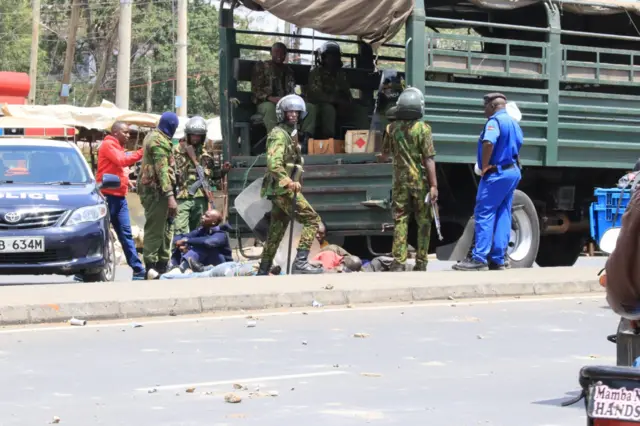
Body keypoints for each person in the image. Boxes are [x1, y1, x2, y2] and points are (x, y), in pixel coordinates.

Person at [453, 93, 523, 271]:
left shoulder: (494, 122)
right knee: (503, 213)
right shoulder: (514, 123)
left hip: (496, 173)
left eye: (485, 107)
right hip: (512, 171)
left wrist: (485, 165)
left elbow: (488, 142)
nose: (484, 110)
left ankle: (479, 258)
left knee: (485, 213)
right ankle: (498, 259)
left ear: (492, 106)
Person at [256, 94, 324, 275]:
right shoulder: (279, 135)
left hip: (282, 189)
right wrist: (287, 181)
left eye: (296, 112)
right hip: (282, 189)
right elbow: (273, 163)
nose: (293, 115)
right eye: (289, 112)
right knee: (312, 219)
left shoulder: (290, 134)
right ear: (282, 114)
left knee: (276, 230)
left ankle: (263, 269)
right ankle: (300, 263)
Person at [378, 87, 438, 272]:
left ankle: (399, 261)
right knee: (424, 221)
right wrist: (434, 185)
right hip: (419, 182)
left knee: (401, 220)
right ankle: (421, 262)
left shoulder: (391, 128)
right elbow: (429, 159)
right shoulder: (423, 129)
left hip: (400, 183)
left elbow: (384, 154)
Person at [95, 121, 146, 280]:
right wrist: (142, 152)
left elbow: (118, 167)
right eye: (125, 132)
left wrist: (125, 180)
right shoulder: (108, 145)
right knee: (100, 234)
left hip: (119, 197)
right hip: (107, 197)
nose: (128, 135)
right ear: (115, 132)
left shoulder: (116, 147)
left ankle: (137, 269)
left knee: (126, 234)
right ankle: (89, 269)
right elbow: (122, 160)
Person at [251, 42, 317, 150]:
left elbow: (292, 90)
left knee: (309, 107)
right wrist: (270, 98)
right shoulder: (262, 67)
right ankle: (277, 142)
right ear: (271, 53)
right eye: (276, 52)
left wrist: (296, 100)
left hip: (286, 103)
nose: (279, 55)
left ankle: (305, 138)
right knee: (270, 108)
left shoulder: (288, 71)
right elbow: (255, 90)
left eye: (282, 53)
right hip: (265, 102)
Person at [138, 112, 179, 279]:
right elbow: (162, 171)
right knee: (155, 228)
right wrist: (170, 196)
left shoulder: (155, 136)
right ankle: (151, 266)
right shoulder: (158, 141)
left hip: (159, 191)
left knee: (166, 228)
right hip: (157, 192)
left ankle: (162, 264)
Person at [173, 116, 227, 235]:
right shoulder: (176, 151)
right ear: (188, 135)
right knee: (180, 229)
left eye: (198, 136)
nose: (195, 138)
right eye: (193, 135)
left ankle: (194, 253)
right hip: (182, 196)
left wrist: (223, 171)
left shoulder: (206, 154)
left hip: (201, 196)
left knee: (198, 230)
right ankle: (178, 252)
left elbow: (212, 175)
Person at [306, 41, 369, 139]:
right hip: (320, 104)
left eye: (335, 56)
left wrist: (347, 102)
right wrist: (335, 100)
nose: (333, 59)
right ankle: (329, 139)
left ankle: (363, 139)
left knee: (361, 110)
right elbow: (316, 95)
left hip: (339, 104)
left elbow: (346, 91)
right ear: (323, 58)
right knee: (329, 109)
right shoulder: (316, 72)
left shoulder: (340, 74)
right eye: (329, 57)